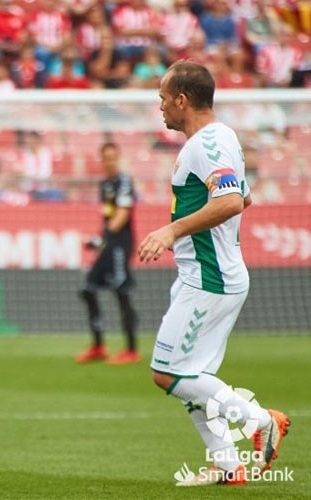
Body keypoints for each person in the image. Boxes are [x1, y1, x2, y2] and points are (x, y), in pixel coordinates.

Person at [140, 61, 290, 486]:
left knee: (168, 373)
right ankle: (228, 465)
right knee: (192, 375)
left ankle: (263, 421)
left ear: (182, 100)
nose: (161, 107)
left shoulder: (206, 144)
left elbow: (228, 203)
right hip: (209, 273)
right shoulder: (222, 138)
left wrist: (172, 229)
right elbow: (243, 198)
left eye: (164, 99)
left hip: (210, 278)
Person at [75, 142, 140, 365]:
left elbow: (121, 216)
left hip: (121, 245)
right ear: (101, 160)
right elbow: (108, 215)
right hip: (109, 244)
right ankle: (98, 345)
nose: (110, 161)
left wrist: (100, 239)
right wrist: (100, 240)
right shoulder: (104, 185)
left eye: (113, 157)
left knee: (122, 292)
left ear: (119, 158)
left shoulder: (124, 182)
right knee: (87, 289)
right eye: (106, 158)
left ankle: (131, 350)